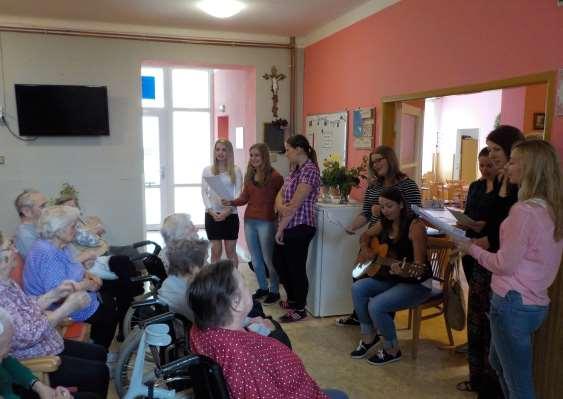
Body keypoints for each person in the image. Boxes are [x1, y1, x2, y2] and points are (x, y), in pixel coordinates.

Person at [455, 139, 563, 399]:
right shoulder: (550, 208)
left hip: (513, 303)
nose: (505, 166)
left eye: (513, 161)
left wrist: (469, 247)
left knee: (518, 384)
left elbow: (503, 264)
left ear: (530, 168)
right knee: (498, 364)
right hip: (533, 302)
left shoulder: (524, 211)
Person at [189, 260, 348, 399]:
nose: (248, 288)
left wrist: (247, 327)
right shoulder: (243, 358)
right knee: (340, 395)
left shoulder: (201, 330)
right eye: (244, 284)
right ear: (236, 303)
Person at [457, 125, 524, 397]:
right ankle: (478, 380)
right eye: (490, 150)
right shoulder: (500, 183)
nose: (493, 156)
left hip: (503, 269)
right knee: (478, 324)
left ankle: (489, 385)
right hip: (484, 261)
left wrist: (485, 241)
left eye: (497, 150)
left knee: (493, 334)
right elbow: (495, 222)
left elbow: (507, 230)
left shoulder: (521, 189)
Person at [0, 232, 109, 398]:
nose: (15, 249)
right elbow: (27, 335)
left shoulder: (7, 282)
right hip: (35, 358)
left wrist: (55, 293)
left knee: (99, 353)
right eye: (10, 246)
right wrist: (66, 309)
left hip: (48, 343)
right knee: (99, 373)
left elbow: (27, 307)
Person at [338, 145, 422, 326]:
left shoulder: (408, 185)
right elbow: (367, 213)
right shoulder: (374, 186)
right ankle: (360, 316)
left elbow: (415, 215)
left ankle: (380, 322)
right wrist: (352, 226)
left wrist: (383, 213)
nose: (375, 165)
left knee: (383, 280)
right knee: (358, 274)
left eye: (379, 160)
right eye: (373, 162)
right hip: (373, 239)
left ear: (390, 159)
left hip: (396, 243)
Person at [350, 187, 431, 365]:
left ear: (401, 204)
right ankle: (369, 336)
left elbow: (420, 267)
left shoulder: (415, 226)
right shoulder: (384, 222)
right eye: (382, 206)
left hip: (416, 283)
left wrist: (403, 270)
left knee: (376, 306)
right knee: (358, 288)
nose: (385, 210)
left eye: (389, 206)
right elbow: (364, 235)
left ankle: (392, 348)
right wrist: (366, 249)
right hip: (393, 278)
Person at [23, 206, 118, 349]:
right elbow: (59, 296)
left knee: (109, 299)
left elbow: (73, 266)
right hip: (55, 307)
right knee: (108, 314)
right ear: (58, 229)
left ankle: (98, 347)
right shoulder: (47, 253)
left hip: (75, 294)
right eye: (73, 226)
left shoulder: (61, 244)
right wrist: (86, 285)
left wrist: (88, 274)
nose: (76, 229)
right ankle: (99, 350)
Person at [455, 147, 498, 392]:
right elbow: (469, 213)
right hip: (472, 250)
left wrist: (485, 227)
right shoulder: (476, 187)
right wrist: (465, 223)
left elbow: (499, 227)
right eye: (482, 165)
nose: (485, 170)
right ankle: (475, 374)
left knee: (486, 315)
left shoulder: (505, 192)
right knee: (476, 309)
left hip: (491, 255)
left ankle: (487, 377)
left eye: (489, 165)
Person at [222, 143, 284, 304]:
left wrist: (281, 221)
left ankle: (274, 290)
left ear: (264, 157)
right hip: (250, 221)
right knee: (255, 259)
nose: (253, 158)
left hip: (267, 222)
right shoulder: (250, 176)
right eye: (251, 155)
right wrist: (231, 202)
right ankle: (263, 288)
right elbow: (244, 198)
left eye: (257, 155)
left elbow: (282, 200)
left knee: (269, 259)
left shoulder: (276, 177)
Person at [274, 134, 320, 323]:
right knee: (278, 262)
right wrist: (280, 206)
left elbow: (295, 205)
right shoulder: (295, 169)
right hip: (289, 224)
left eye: (288, 149)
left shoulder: (310, 170)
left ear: (299, 149)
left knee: (296, 268)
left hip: (301, 226)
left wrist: (280, 229)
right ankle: (292, 299)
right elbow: (281, 193)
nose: (286, 154)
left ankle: (299, 307)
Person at [0, 307, 77, 399]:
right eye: (7, 345)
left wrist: (39, 386)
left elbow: (8, 362)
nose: (9, 349)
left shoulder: (3, 355)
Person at [201, 139, 242, 266]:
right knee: (215, 251)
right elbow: (204, 192)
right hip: (212, 215)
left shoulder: (236, 170)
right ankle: (215, 283)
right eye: (218, 149)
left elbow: (239, 193)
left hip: (230, 215)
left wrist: (228, 211)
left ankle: (234, 283)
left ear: (229, 152)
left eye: (224, 149)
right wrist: (211, 211)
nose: (220, 152)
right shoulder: (207, 170)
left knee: (231, 252)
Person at [158, 239, 209, 320]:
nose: (208, 264)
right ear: (191, 267)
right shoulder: (189, 294)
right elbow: (203, 321)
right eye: (205, 261)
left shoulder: (170, 281)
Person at [14, 190, 48, 259]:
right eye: (42, 206)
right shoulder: (25, 236)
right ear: (27, 211)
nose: (47, 209)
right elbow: (41, 262)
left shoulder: (37, 228)